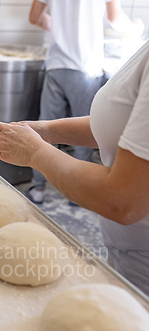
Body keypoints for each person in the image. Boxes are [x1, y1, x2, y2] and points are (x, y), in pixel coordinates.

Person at [0, 39, 149, 295]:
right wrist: (46, 131)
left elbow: (122, 199)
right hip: (129, 257)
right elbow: (126, 125)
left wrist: (34, 151)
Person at [27, 0, 138, 204]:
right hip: (84, 67)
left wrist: (62, 30)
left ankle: (38, 189)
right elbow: (115, 19)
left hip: (55, 65)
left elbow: (34, 17)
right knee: (85, 132)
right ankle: (76, 196)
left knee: (45, 127)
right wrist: (136, 27)